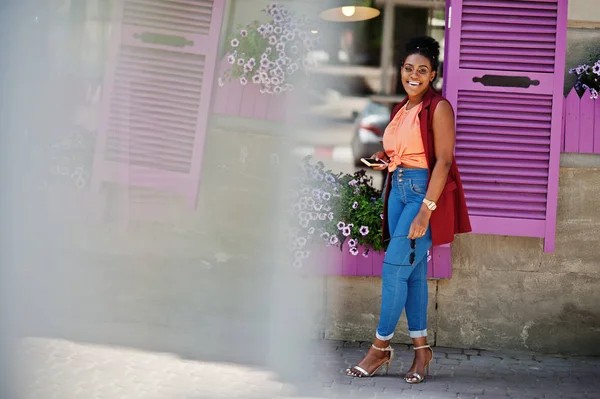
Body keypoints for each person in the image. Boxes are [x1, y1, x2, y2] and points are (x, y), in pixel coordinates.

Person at [345, 36, 471, 384]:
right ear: (402, 70)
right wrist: (387, 159)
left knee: (392, 271)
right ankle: (421, 353)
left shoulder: (439, 107)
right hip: (397, 189)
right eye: (408, 68)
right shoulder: (402, 108)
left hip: (420, 195)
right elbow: (407, 152)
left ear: (432, 75)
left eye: (422, 70)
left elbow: (443, 161)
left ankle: (379, 349)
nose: (413, 75)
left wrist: (426, 211)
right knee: (412, 275)